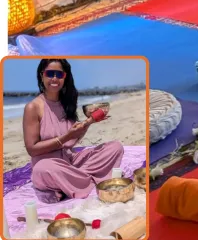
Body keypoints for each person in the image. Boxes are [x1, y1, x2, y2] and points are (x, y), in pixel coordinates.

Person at [22, 59, 124, 202]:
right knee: (43, 169)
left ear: (65, 77)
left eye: (59, 74)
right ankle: (86, 179)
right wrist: (66, 137)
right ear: (41, 75)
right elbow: (32, 150)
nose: (54, 78)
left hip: (70, 161)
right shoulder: (33, 107)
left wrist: (89, 122)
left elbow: (72, 140)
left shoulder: (66, 103)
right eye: (50, 73)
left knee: (115, 147)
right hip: (49, 165)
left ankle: (72, 181)